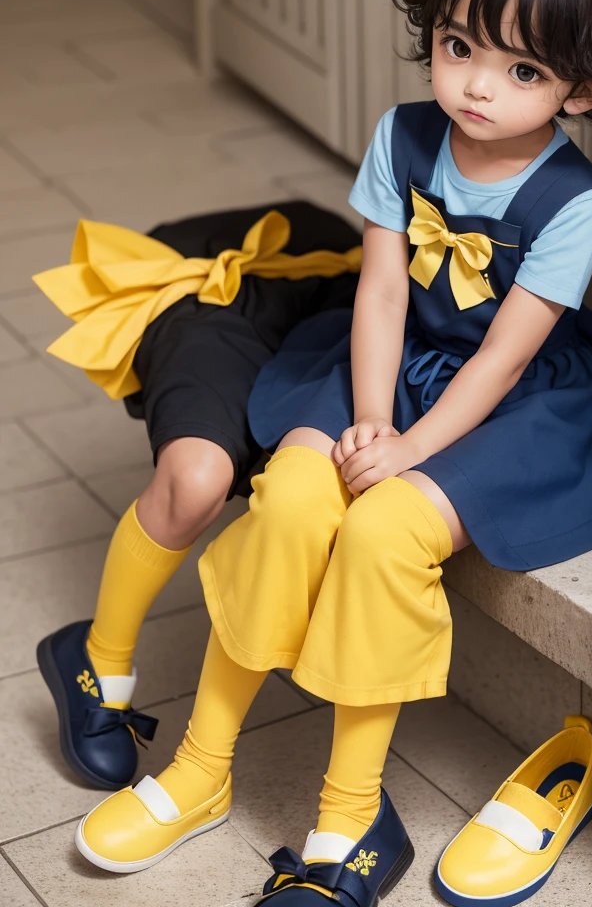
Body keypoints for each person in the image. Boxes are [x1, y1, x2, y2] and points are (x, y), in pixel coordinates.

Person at [74, 0, 592, 906]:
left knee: (381, 529)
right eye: (457, 46)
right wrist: (366, 415)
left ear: (579, 89)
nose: (475, 88)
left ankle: (348, 815)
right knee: (298, 498)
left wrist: (406, 452)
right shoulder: (400, 138)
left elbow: (498, 361)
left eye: (519, 68)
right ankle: (199, 770)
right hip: (384, 356)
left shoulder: (576, 207)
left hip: (511, 397)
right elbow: (384, 290)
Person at [35, 201, 360, 790]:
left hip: (350, 316)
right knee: (198, 478)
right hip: (246, 275)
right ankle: (98, 655)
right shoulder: (410, 135)